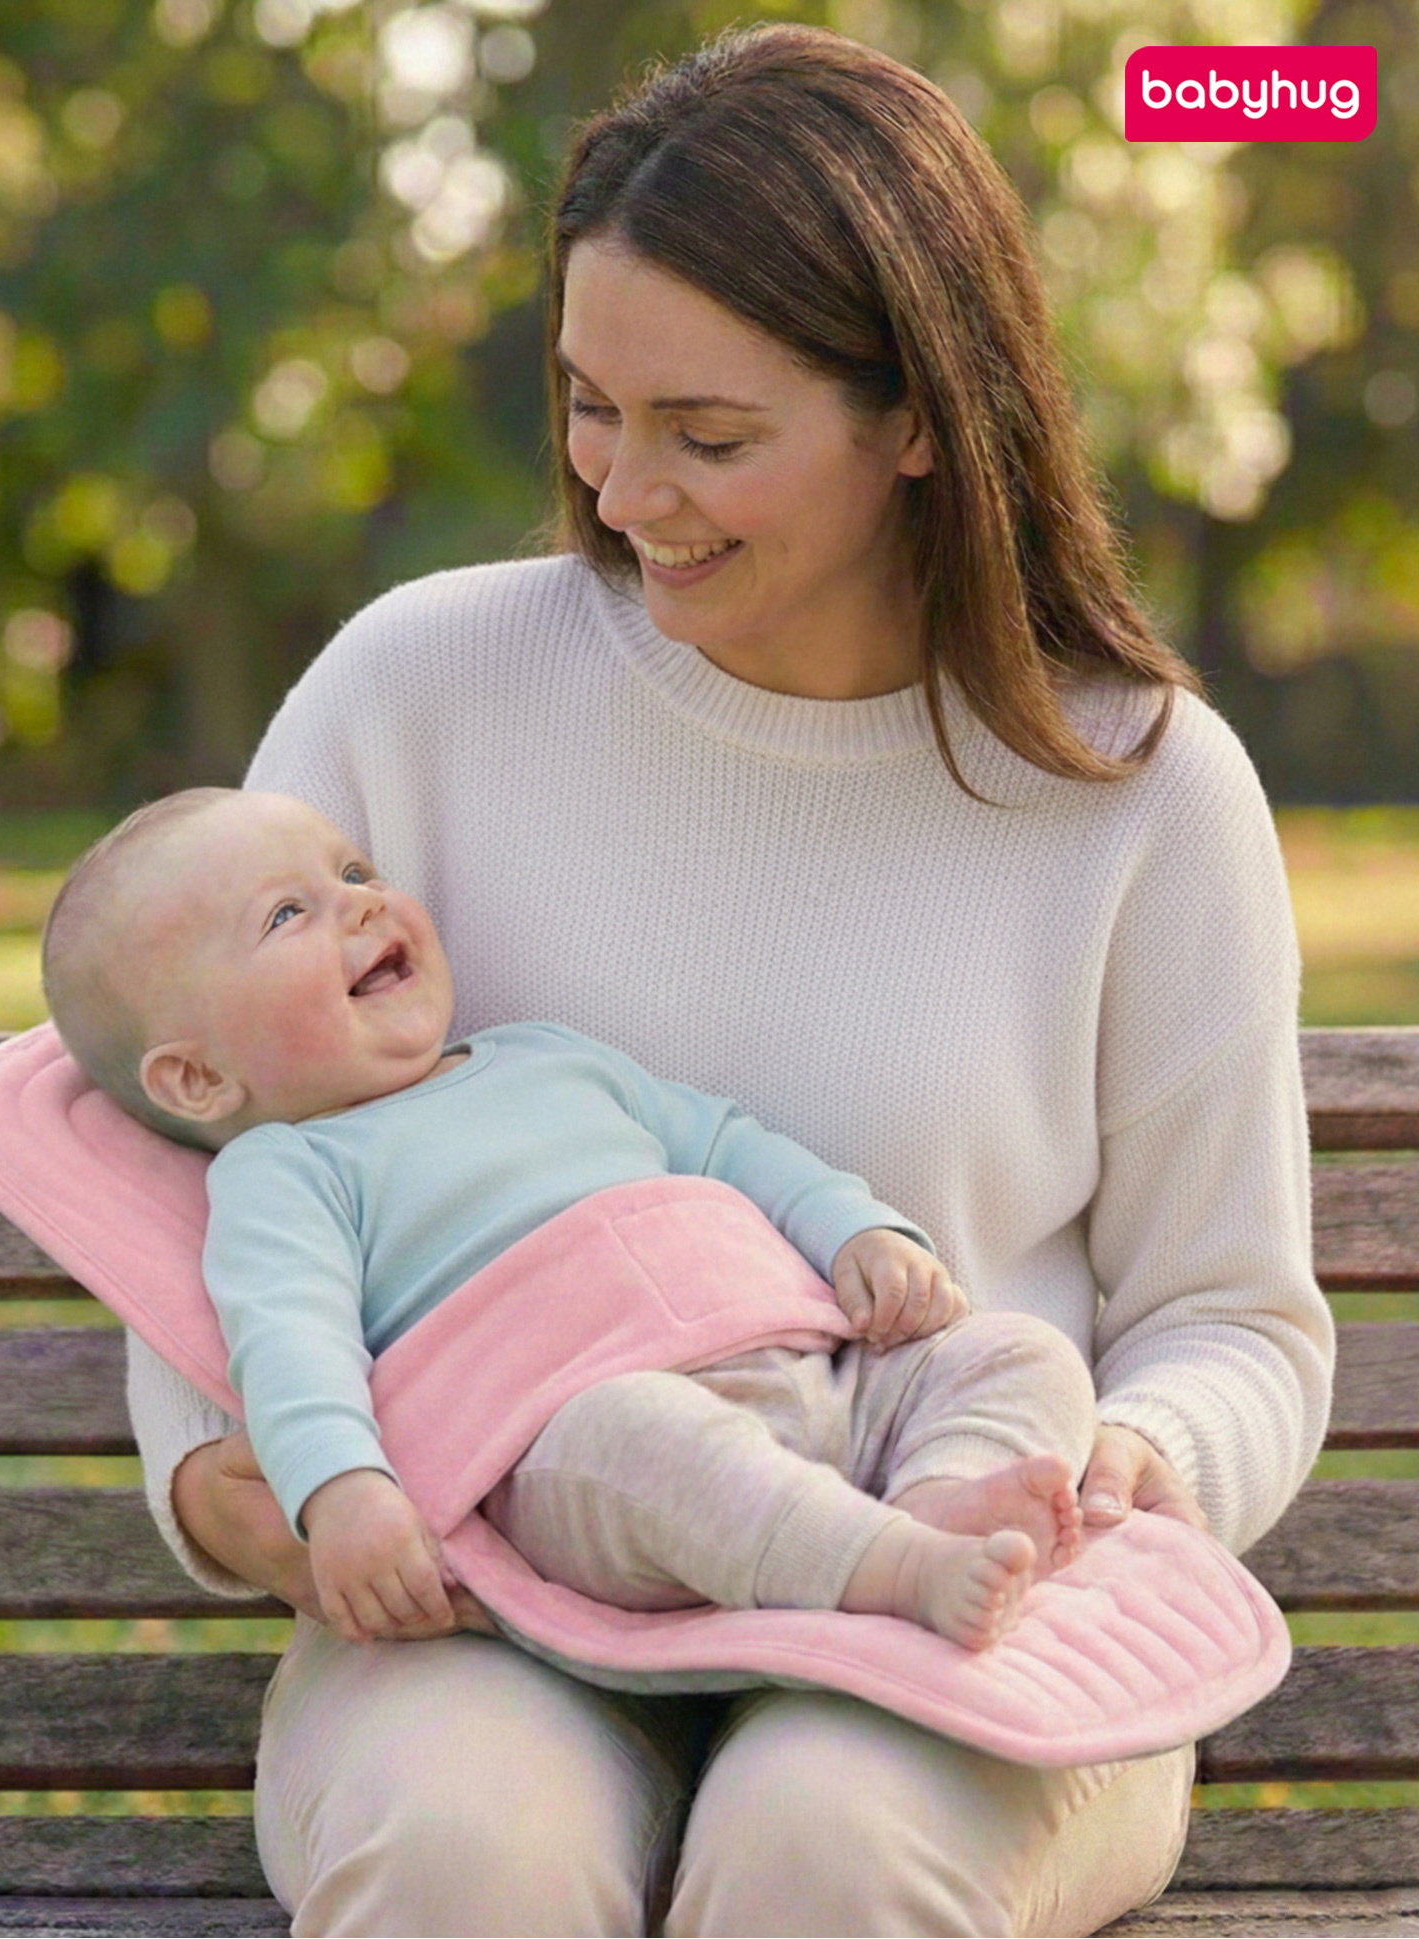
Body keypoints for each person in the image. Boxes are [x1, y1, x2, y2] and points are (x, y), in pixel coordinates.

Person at [122, 23, 1334, 1936]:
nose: (622, 491)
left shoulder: (1140, 793)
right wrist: (230, 1488)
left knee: (823, 1843)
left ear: (921, 414)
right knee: (466, 1849)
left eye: (711, 435)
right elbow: (206, 1200)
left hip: (964, 1588)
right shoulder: (414, 688)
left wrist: (1107, 1470)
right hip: (502, 1581)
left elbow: (1236, 1323)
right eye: (591, 405)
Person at [43, 784, 1094, 1655]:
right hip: (578, 1449)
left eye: (354, 874)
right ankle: (896, 1569)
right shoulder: (290, 1170)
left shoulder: (547, 1057)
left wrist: (860, 1232)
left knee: (1017, 1351)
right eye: (287, 916)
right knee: (650, 1442)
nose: (359, 906)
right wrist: (342, 1491)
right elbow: (289, 1342)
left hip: (816, 1378)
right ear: (194, 1078)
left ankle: (936, 1499)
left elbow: (728, 1146)